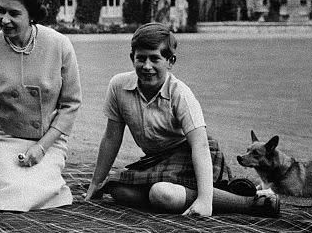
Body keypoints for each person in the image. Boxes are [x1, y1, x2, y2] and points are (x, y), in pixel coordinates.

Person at [84, 23, 280, 218]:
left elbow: (200, 145)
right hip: (156, 159)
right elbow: (111, 138)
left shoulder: (180, 93)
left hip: (193, 154)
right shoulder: (118, 86)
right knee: (116, 189)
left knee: (162, 193)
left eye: (155, 58)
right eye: (141, 58)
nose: (147, 66)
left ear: (170, 61)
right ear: (131, 58)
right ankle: (224, 193)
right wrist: (95, 183)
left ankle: (250, 202)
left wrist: (204, 201)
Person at [0, 0, 82, 211]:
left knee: (41, 190)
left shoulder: (60, 45)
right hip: (3, 138)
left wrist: (42, 147)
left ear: (31, 14)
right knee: (9, 189)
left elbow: (71, 104)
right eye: (1, 11)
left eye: (14, 13)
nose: (4, 19)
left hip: (48, 140)